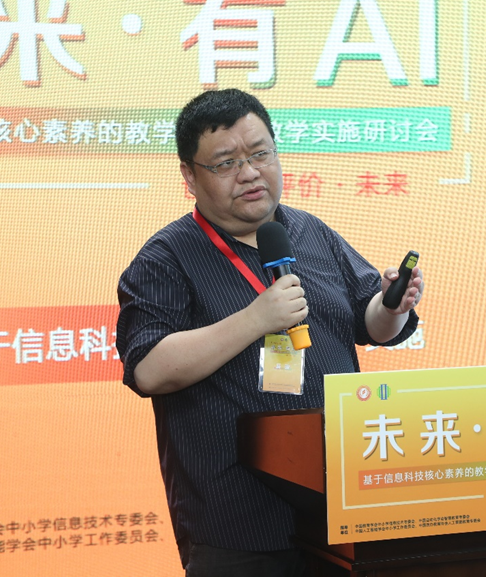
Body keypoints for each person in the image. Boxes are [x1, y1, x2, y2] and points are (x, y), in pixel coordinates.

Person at [116, 88, 424, 577]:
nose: (250, 172)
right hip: (238, 526)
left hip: (340, 508)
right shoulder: (165, 258)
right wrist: (255, 319)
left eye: (260, 154)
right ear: (189, 176)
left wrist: (392, 305)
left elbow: (371, 324)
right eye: (226, 163)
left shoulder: (308, 232)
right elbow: (149, 369)